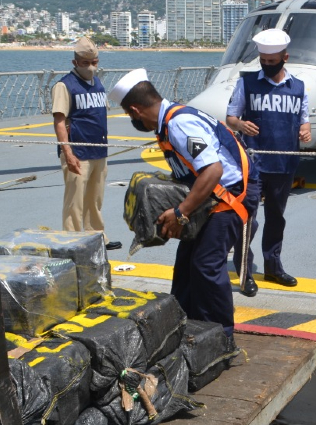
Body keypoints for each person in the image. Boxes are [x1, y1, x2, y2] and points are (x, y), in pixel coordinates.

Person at [109, 68, 257, 338]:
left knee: (205, 266)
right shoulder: (168, 122)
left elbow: (213, 171)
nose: (131, 119)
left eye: (129, 114)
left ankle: (220, 336)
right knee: (187, 266)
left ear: (135, 110)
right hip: (210, 198)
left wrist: (181, 212)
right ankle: (184, 325)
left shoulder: (179, 124)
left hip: (229, 198)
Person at [226, 29, 309, 293]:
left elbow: (304, 120)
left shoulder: (298, 87)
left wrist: (305, 130)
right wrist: (240, 124)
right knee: (247, 217)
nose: (268, 65)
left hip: (285, 162)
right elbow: (230, 118)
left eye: (273, 61)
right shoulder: (246, 84)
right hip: (253, 163)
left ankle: (273, 266)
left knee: (276, 217)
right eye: (264, 60)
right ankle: (244, 270)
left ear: (285, 57)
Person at [52, 36, 120, 250]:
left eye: (95, 62)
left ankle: (97, 237)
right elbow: (60, 121)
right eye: (86, 63)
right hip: (78, 151)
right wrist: (68, 152)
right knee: (75, 201)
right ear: (75, 63)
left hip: (99, 150)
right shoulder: (65, 85)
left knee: (95, 199)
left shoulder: (98, 83)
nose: (91, 67)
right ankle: (72, 240)